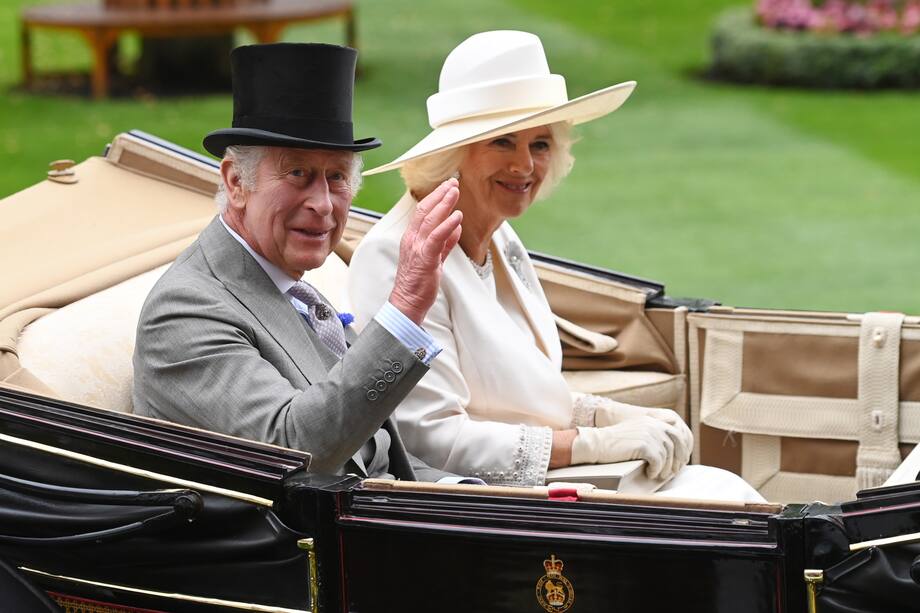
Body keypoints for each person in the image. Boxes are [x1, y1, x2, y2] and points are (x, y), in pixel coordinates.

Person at [347, 31, 763, 501]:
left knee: (736, 497)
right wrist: (595, 444)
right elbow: (428, 439)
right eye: (502, 142)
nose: (524, 165)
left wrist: (614, 417)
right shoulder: (395, 255)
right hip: (484, 507)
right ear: (453, 154)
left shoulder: (498, 232)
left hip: (559, 486)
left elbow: (530, 400)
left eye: (540, 144)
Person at [133, 43, 466, 483]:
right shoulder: (184, 311)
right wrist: (404, 307)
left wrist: (458, 494)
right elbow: (296, 451)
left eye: (337, 177)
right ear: (236, 183)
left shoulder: (295, 289)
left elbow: (369, 453)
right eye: (298, 174)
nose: (324, 205)